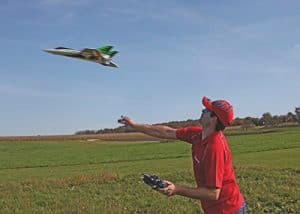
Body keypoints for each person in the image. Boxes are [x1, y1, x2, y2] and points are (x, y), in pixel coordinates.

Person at [118, 96, 246, 214]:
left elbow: (213, 193)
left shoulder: (215, 148)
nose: (202, 110)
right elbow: (167, 132)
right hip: (214, 209)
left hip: (227, 209)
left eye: (206, 110)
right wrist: (135, 125)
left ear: (214, 118)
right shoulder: (197, 134)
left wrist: (177, 189)